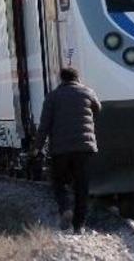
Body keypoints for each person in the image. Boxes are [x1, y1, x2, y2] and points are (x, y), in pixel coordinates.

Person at [33, 67, 101, 234]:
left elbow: (44, 125)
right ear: (77, 78)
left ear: (61, 79)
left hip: (60, 149)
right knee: (81, 186)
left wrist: (36, 148)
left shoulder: (52, 97)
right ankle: (79, 226)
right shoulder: (87, 92)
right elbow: (98, 108)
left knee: (59, 182)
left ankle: (65, 209)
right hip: (84, 148)